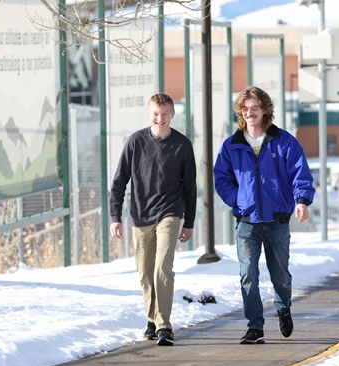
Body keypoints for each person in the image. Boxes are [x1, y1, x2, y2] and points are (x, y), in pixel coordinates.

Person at [213, 86, 315, 344]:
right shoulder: (232, 145)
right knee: (248, 274)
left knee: (280, 274)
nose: (249, 113)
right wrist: (238, 201)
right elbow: (221, 178)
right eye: (245, 109)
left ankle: (283, 307)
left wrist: (301, 201)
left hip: (277, 219)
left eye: (255, 108)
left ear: (265, 110)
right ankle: (255, 327)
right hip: (247, 222)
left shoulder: (284, 141)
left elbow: (300, 173)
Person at [109, 93, 197, 347]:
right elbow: (118, 182)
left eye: (165, 113)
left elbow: (190, 187)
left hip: (170, 212)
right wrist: (116, 216)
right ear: (150, 115)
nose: (160, 118)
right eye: (156, 114)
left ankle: (164, 325)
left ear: (172, 114)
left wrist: (188, 222)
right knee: (146, 273)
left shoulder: (182, 145)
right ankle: (152, 319)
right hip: (140, 214)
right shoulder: (136, 142)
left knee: (162, 268)